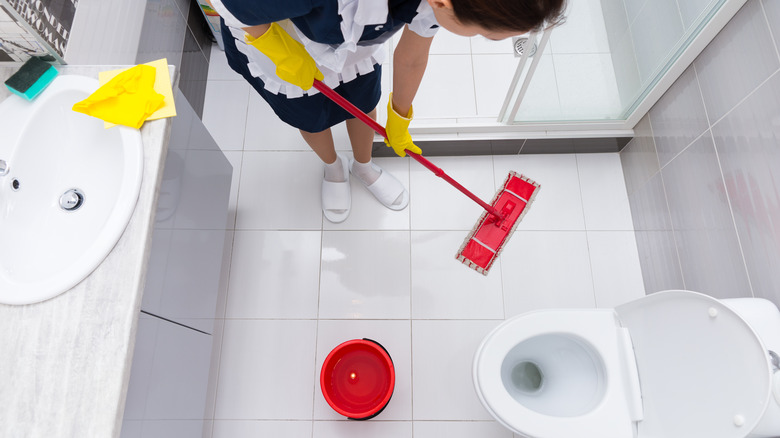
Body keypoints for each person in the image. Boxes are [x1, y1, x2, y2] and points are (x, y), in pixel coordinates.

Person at [206, 0, 566, 223]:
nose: (486, 39)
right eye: (487, 35)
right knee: (310, 116)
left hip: (350, 43)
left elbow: (411, 55)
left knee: (363, 102)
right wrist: (277, 46)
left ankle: (363, 165)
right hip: (280, 39)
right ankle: (333, 169)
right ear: (446, 3)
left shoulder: (438, 4)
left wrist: (400, 117)